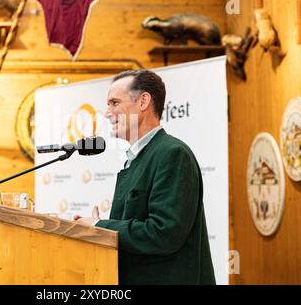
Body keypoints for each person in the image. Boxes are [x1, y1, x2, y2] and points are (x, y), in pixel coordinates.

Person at [74, 69, 216, 285]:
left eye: (115, 103)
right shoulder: (137, 158)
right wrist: (102, 227)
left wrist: (100, 225)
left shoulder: (172, 154)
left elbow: (164, 233)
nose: (106, 113)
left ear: (143, 102)